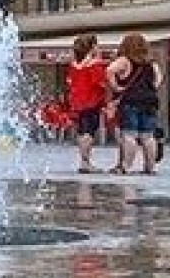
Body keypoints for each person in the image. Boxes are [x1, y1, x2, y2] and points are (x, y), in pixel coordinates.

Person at [107, 32, 163, 174]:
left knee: (129, 135)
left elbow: (109, 70)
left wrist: (115, 86)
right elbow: (158, 79)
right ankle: (150, 167)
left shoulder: (125, 60)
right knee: (148, 136)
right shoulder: (151, 63)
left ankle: (126, 166)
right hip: (149, 101)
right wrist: (150, 89)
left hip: (130, 101)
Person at [63, 34, 110, 174]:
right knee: (89, 132)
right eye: (96, 45)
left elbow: (70, 82)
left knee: (82, 131)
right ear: (92, 47)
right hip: (91, 101)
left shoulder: (73, 65)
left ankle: (83, 161)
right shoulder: (94, 65)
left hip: (77, 102)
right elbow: (100, 83)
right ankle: (85, 162)